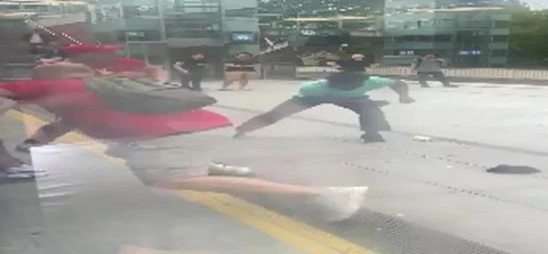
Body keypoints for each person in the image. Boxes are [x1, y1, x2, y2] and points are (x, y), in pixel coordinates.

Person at [0, 65, 368, 221]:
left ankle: (324, 194)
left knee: (164, 179)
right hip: (206, 127)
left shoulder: (44, 86)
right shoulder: (92, 90)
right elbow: (62, 125)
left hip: (178, 138)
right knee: (128, 153)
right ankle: (221, 168)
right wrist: (29, 146)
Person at [15, 44, 170, 152]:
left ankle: (137, 144)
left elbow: (155, 70)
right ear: (84, 56)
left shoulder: (125, 62)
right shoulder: (60, 67)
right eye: (106, 53)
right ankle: (33, 142)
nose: (112, 54)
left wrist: (158, 81)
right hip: (86, 103)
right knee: (70, 120)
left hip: (120, 99)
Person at [233, 61, 415, 143]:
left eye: (349, 85)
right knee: (277, 114)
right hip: (318, 97)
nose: (344, 87)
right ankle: (244, 128)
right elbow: (281, 111)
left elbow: (399, 83)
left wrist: (403, 97)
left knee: (370, 110)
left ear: (362, 82)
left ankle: (372, 133)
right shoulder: (313, 88)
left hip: (352, 98)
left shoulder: (371, 80)